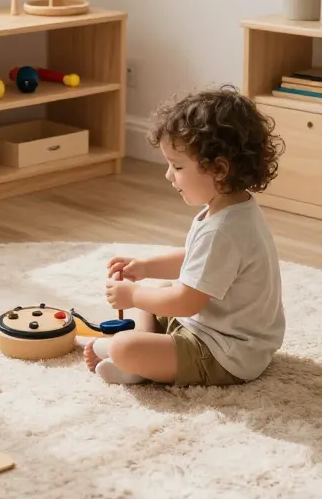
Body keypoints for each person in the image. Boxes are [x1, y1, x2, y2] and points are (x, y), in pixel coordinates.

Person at [85, 86, 286, 387]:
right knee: (156, 291)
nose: (168, 175)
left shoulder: (223, 230)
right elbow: (197, 261)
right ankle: (141, 360)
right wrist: (145, 267)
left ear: (218, 169)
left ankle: (132, 360)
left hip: (227, 353)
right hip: (217, 329)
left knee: (125, 343)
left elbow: (186, 302)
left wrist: (133, 295)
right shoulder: (231, 208)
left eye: (177, 166)